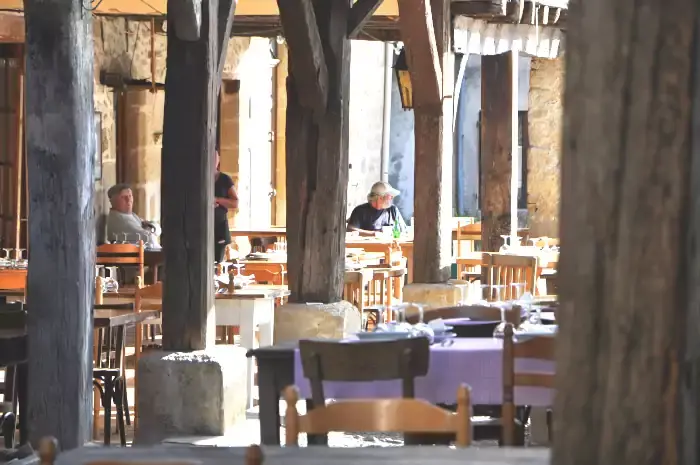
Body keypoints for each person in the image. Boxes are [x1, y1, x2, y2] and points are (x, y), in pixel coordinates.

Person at [214, 150, 239, 262]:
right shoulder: (198, 179)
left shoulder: (224, 179)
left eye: (215, 157)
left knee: (217, 261)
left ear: (218, 160)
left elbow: (235, 202)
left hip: (219, 226)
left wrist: (217, 200)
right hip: (200, 226)